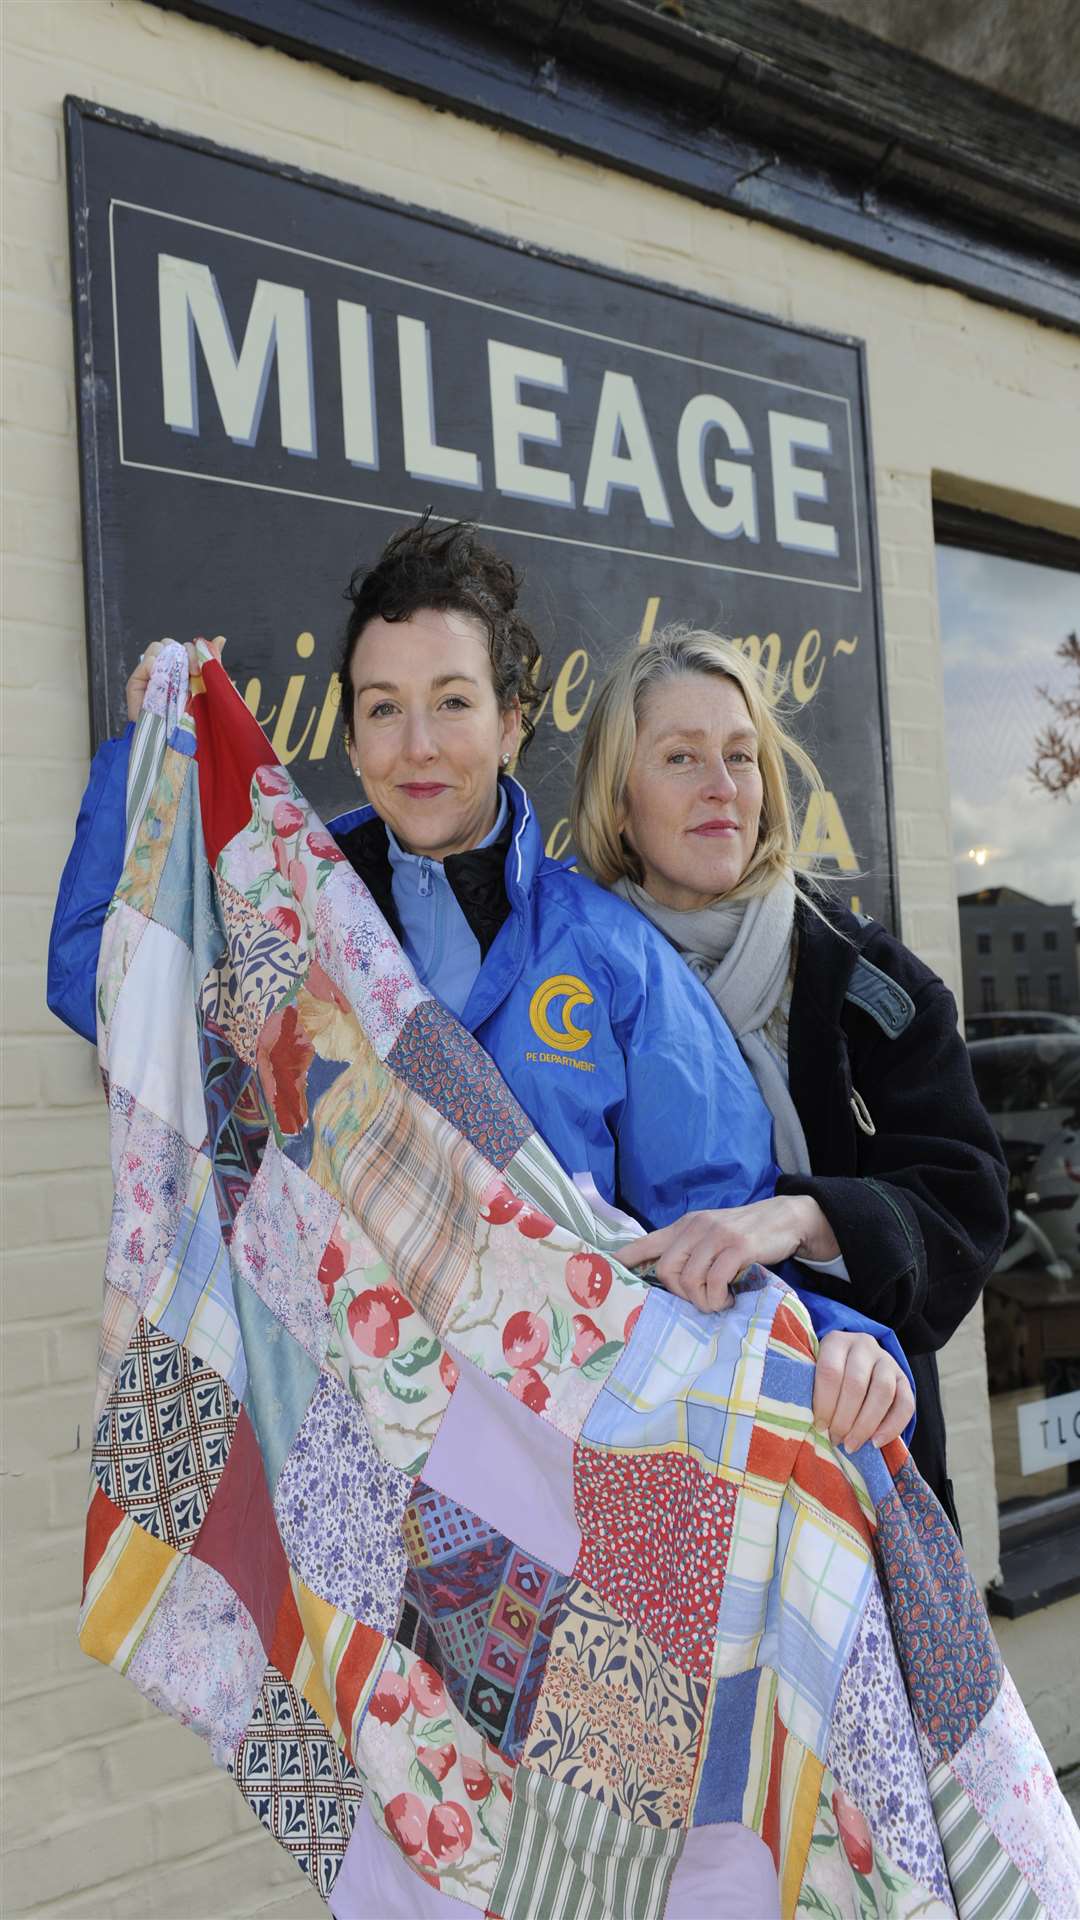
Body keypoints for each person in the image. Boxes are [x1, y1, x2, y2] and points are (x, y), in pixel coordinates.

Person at [48, 518, 914, 1454]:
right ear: (350, 732)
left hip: (556, 1464)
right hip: (340, 1449)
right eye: (383, 708)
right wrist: (149, 756)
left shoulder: (608, 951)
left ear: (509, 723)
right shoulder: (285, 918)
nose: (417, 745)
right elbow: (108, 980)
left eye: (452, 702)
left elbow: (713, 1221)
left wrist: (842, 1341)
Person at [571, 624, 1009, 1519]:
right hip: (648, 1475)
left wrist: (809, 1218)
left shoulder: (867, 980)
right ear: (619, 802)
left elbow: (966, 1201)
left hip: (853, 1458)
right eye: (681, 758)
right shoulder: (568, 982)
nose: (722, 788)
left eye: (741, 756)